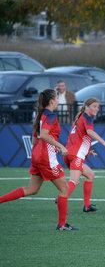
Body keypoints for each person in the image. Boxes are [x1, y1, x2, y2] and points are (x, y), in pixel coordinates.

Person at [0, 89, 77, 230]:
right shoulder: (51, 115)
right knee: (65, 189)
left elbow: (35, 138)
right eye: (57, 99)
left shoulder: (41, 114)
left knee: (32, 189)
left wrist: (40, 153)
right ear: (52, 101)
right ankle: (62, 224)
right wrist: (60, 146)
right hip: (45, 157)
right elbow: (44, 135)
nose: (58, 101)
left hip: (38, 154)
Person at [64, 97, 105, 212]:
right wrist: (104, 142)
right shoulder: (86, 117)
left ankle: (87, 206)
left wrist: (88, 151)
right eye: (94, 106)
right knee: (74, 181)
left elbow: (77, 138)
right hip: (76, 155)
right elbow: (90, 132)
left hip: (71, 153)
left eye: (98, 107)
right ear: (86, 107)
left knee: (90, 175)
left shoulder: (79, 118)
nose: (97, 109)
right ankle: (62, 196)